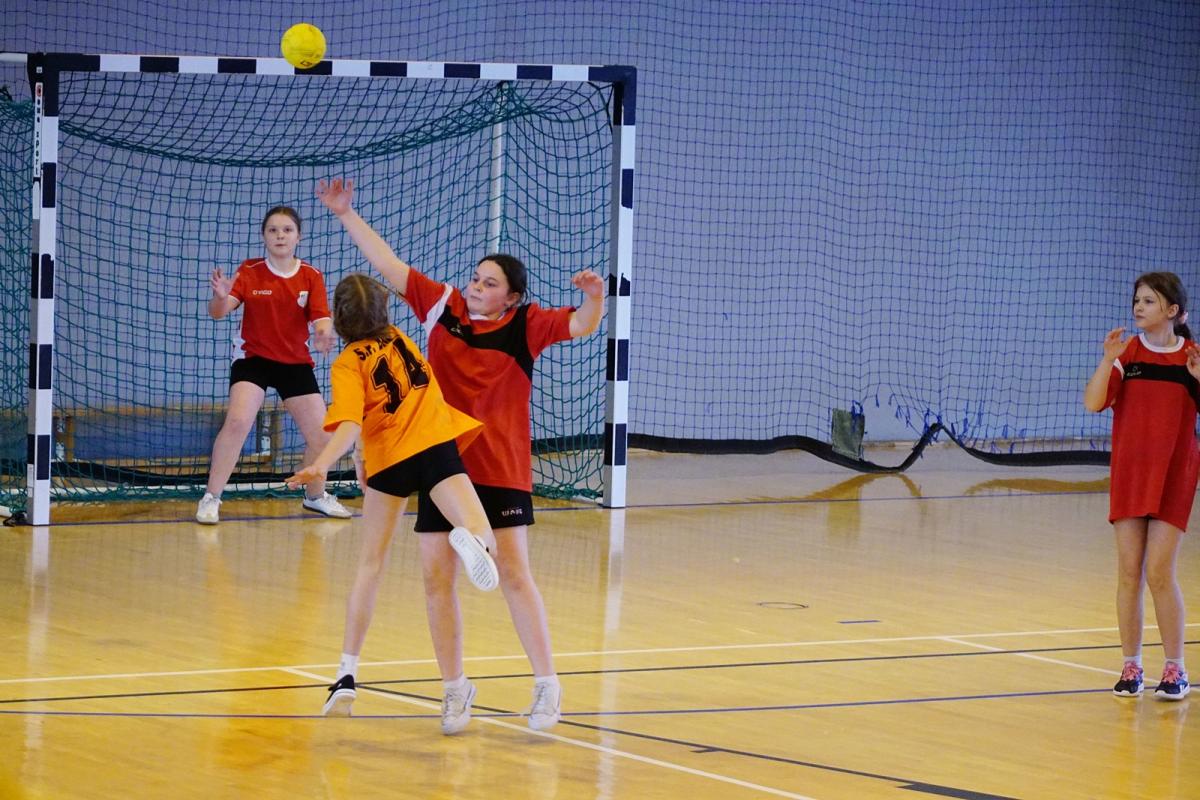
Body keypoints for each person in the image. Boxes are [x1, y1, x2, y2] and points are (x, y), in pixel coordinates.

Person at [316, 178, 605, 732]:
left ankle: (547, 686)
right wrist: (346, 214)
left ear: (510, 297)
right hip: (442, 460)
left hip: (500, 465)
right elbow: (389, 265)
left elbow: (582, 324)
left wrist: (594, 297)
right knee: (435, 577)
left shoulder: (528, 325)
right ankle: (455, 689)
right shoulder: (442, 308)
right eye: (475, 277)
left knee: (513, 572)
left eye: (489, 283)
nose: (476, 286)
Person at [285, 272, 500, 726]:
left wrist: (324, 464)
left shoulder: (348, 362)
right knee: (481, 530)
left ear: (340, 319)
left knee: (370, 565)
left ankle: (346, 671)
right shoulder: (401, 338)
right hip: (433, 443)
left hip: (389, 460)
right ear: (383, 311)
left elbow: (352, 421)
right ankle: (476, 542)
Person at [198, 206, 352, 524]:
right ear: (264, 236)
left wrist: (323, 333)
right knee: (238, 422)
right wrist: (220, 297)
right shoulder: (250, 271)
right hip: (253, 359)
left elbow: (321, 317)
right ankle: (211, 497)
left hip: (294, 362)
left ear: (298, 237)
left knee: (323, 435)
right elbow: (218, 312)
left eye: (287, 230)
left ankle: (315, 496)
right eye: (273, 230)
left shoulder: (311, 275)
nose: (280, 235)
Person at [1083, 271, 1197, 701]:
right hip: (1131, 473)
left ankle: (1175, 669)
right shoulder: (1127, 352)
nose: (1138, 307)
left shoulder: (1191, 357)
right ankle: (1131, 665)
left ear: (1172, 310)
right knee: (1129, 572)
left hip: (1174, 476)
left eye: (1149, 301)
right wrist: (1106, 360)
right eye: (1137, 300)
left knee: (1159, 572)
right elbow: (1094, 402)